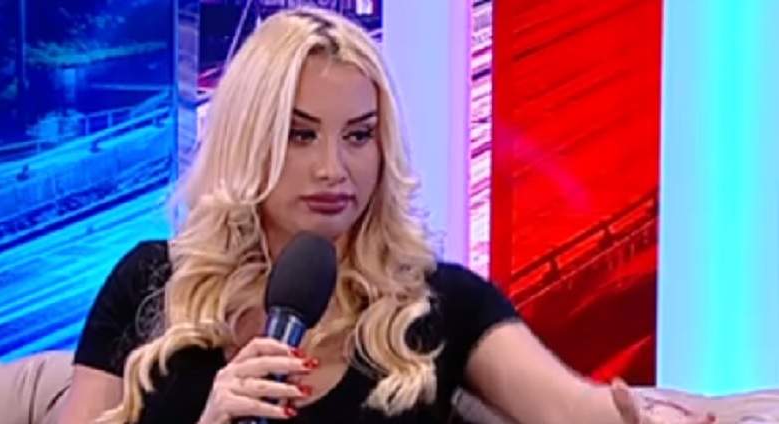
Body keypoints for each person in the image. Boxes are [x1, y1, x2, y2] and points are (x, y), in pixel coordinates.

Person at [57, 7, 713, 424]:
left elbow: (575, 411)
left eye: (359, 135)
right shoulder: (151, 282)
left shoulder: (440, 303)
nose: (333, 168)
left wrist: (655, 416)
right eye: (301, 135)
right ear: (248, 140)